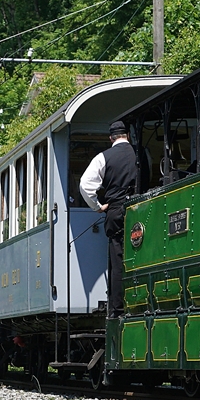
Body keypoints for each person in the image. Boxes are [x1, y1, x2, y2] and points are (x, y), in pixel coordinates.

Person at [79, 120, 136, 318]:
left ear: (110, 138)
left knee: (117, 259)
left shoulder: (103, 157)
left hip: (116, 210)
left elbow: (85, 185)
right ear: (127, 135)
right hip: (140, 208)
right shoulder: (140, 153)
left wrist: (97, 206)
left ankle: (118, 309)